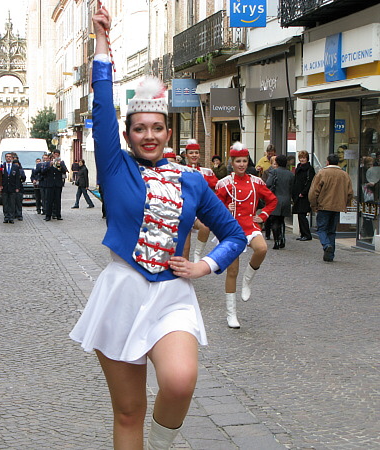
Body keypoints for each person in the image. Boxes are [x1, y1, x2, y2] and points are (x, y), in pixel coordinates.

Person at [70, 7, 247, 449]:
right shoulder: (116, 168)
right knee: (129, 411)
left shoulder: (192, 181)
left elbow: (235, 234)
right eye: (139, 129)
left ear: (169, 132)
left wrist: (205, 266)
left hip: (172, 295)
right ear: (127, 135)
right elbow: (102, 102)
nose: (148, 135)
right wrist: (102, 42)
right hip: (122, 292)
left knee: (180, 381)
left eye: (157, 128)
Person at [216, 142, 277, 329]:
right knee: (232, 271)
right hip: (232, 229)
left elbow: (272, 200)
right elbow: (214, 207)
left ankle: (248, 279)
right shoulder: (225, 183)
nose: (241, 164)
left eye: (244, 161)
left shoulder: (256, 182)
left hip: (250, 225)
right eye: (238, 161)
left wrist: (263, 216)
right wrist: (226, 208)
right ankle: (231, 314)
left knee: (262, 249)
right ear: (232, 163)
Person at [308, 153, 353, 262]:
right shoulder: (344, 175)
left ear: (327, 162)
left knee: (322, 229)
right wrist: (345, 204)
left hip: (324, 206)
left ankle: (326, 245)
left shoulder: (322, 173)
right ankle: (330, 255)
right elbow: (350, 193)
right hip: (338, 207)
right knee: (332, 231)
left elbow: (313, 192)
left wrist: (314, 205)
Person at [183, 139, 219, 263]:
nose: (194, 155)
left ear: (199, 154)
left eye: (196, 153)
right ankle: (184, 271)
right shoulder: (180, 171)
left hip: (199, 211)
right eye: (191, 153)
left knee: (206, 226)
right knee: (185, 249)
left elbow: (219, 187)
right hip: (184, 211)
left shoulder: (207, 172)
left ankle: (197, 255)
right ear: (186, 155)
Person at [266, 155, 294, 250]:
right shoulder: (290, 174)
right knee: (282, 220)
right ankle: (282, 238)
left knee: (274, 220)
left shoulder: (274, 172)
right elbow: (292, 187)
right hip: (286, 199)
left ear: (277, 162)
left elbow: (268, 184)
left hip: (275, 199)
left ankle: (276, 241)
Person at [292, 151, 316, 241]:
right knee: (300, 215)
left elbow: (310, 182)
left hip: (304, 195)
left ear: (307, 159)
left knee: (302, 215)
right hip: (297, 195)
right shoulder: (298, 167)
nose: (302, 159)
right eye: (301, 158)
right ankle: (303, 234)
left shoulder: (309, 169)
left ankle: (307, 234)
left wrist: (303, 192)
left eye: (304, 158)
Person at [0, 152, 25, 223]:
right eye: (7, 156)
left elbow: (17, 178)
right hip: (5, 187)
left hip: (13, 188)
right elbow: (0, 177)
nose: (8, 158)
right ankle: (6, 217)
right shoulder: (2, 166)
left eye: (10, 156)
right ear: (5, 158)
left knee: (12, 203)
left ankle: (11, 217)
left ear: (12, 158)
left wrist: (17, 187)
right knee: (5, 203)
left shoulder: (15, 167)